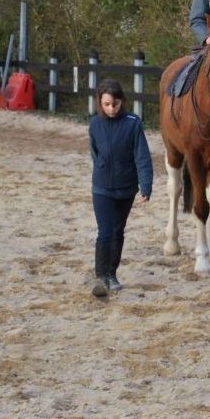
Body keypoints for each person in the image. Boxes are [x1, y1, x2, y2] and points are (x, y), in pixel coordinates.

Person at [89, 79, 153, 297]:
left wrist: (145, 184)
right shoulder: (94, 123)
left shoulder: (133, 123)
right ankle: (100, 277)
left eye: (115, 104)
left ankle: (112, 273)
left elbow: (142, 156)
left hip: (126, 189)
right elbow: (94, 151)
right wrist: (103, 168)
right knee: (105, 232)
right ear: (100, 103)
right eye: (106, 104)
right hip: (102, 188)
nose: (111, 109)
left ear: (121, 102)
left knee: (118, 232)